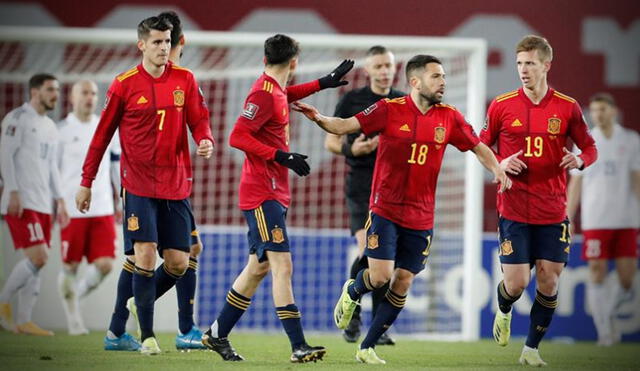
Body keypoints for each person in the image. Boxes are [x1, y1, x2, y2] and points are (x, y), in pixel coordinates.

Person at [293, 54, 511, 364]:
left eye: (444, 76)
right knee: (380, 277)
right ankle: (354, 292)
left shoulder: (449, 117)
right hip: (386, 208)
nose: (443, 82)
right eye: (436, 76)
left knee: (404, 280)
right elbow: (344, 125)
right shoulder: (388, 110)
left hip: (422, 216)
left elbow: (477, 146)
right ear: (415, 81)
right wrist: (319, 118)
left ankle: (367, 347)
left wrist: (498, 168)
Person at [201, 34, 353, 363]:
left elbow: (286, 94)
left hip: (274, 190)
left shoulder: (273, 88)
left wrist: (323, 83)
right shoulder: (263, 92)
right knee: (282, 265)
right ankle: (298, 345)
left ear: (265, 59)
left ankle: (216, 333)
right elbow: (237, 136)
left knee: (258, 268)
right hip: (261, 193)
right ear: (294, 62)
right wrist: (280, 156)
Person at [75, 15, 214, 355]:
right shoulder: (123, 84)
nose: (164, 48)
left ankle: (140, 302)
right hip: (137, 183)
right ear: (142, 45)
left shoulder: (185, 79)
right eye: (156, 42)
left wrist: (205, 139)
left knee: (180, 262)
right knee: (145, 254)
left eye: (167, 42)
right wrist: (86, 182)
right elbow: (101, 137)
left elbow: (199, 119)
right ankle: (148, 336)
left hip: (176, 184)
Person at [480, 35, 597, 366]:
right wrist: (499, 163)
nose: (523, 70)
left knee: (549, 279)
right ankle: (504, 308)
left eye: (529, 63)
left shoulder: (567, 106)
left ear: (546, 65)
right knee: (517, 283)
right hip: (514, 208)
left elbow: (590, 147)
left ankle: (531, 349)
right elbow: (480, 145)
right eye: (519, 63)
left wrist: (580, 161)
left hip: (553, 210)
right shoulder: (502, 105)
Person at [325, 45, 404, 345]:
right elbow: (331, 142)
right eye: (379, 66)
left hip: (393, 189)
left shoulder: (403, 101)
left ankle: (376, 327)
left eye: (388, 66)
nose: (384, 71)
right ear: (368, 70)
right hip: (361, 186)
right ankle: (354, 316)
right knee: (369, 251)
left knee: (385, 258)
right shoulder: (352, 100)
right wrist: (351, 149)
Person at [567, 93, 639, 346]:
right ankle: (604, 332)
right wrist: (568, 215)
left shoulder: (630, 140)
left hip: (627, 218)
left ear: (613, 111)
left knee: (627, 279)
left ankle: (606, 315)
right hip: (595, 218)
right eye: (594, 110)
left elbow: (636, 180)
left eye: (603, 109)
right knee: (596, 272)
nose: (598, 114)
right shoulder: (586, 142)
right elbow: (576, 182)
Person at [0, 73, 70, 336]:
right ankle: (3, 301)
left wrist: (61, 199)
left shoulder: (50, 127)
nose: (56, 95)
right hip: (23, 200)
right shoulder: (17, 118)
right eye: (51, 89)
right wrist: (13, 190)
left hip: (43, 203)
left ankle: (24, 319)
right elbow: (4, 156)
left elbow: (52, 167)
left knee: (38, 262)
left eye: (57, 90)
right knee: (39, 257)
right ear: (35, 92)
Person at [57, 79, 121, 336]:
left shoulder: (105, 127)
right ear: (72, 98)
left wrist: (121, 196)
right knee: (70, 265)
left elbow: (116, 163)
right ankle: (73, 321)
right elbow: (52, 170)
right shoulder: (61, 131)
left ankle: (75, 298)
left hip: (103, 206)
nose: (90, 98)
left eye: (94, 94)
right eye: (84, 93)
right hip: (73, 211)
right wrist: (59, 201)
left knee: (105, 264)